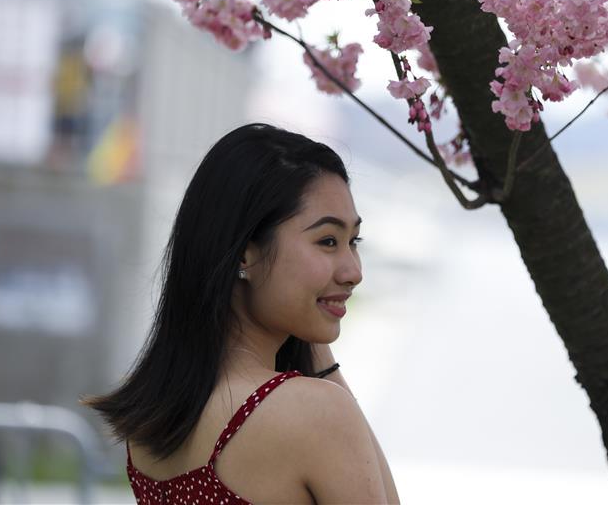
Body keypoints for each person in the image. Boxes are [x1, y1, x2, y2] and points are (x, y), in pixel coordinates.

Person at [82, 123, 399, 504]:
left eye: (354, 241)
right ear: (244, 252)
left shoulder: (158, 414)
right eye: (328, 241)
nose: (353, 271)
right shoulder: (313, 412)